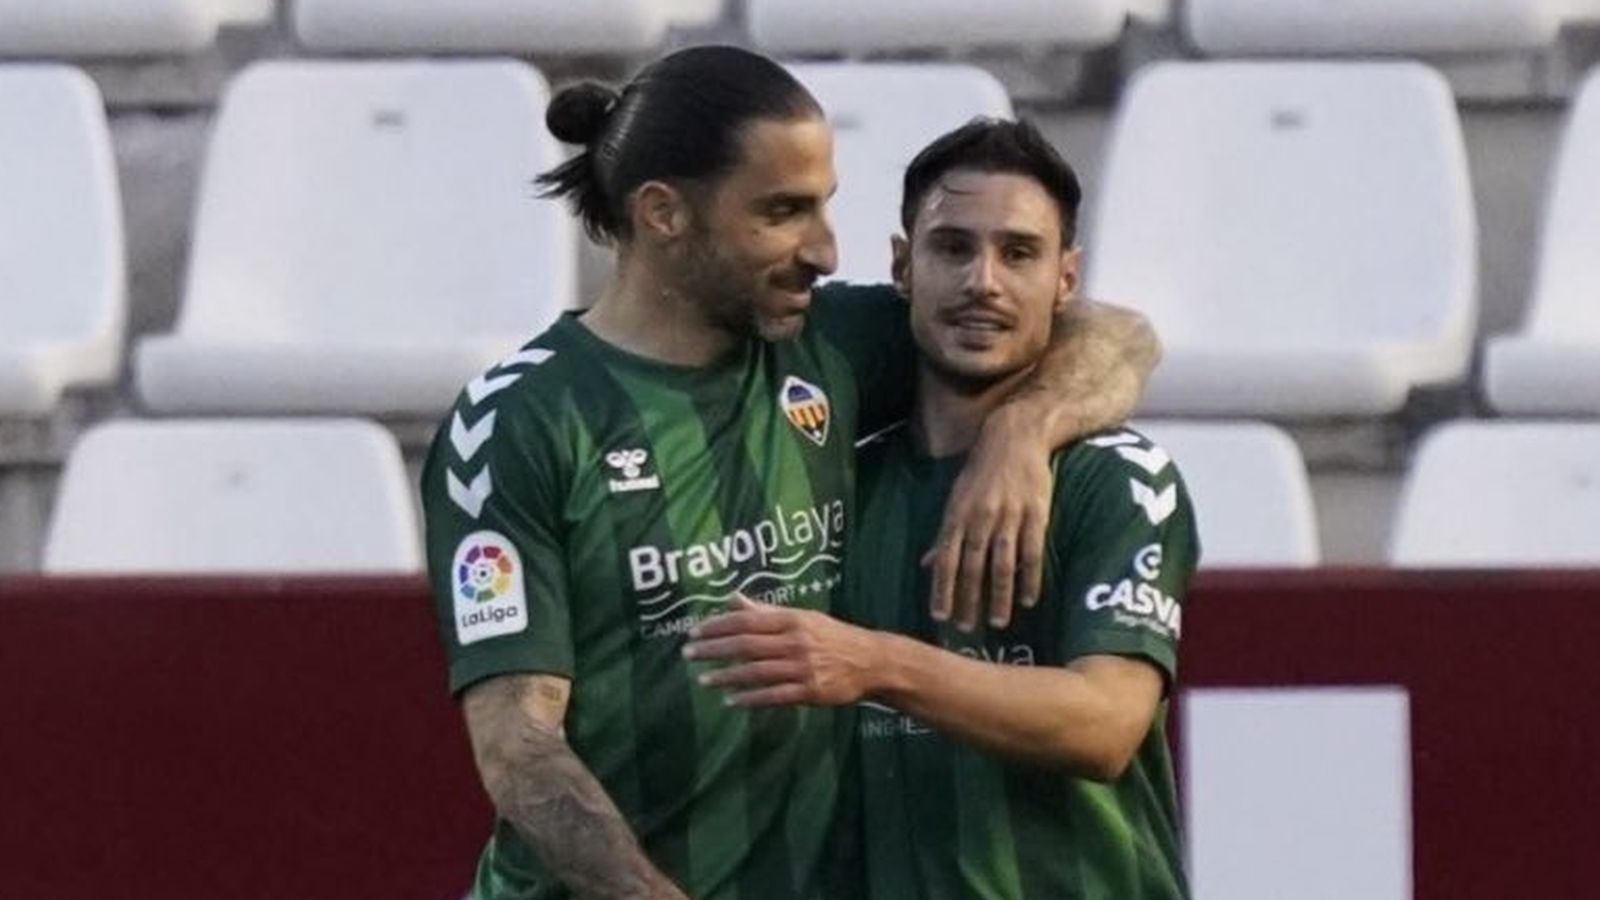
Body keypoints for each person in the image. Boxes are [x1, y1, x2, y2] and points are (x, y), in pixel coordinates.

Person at [420, 47, 1157, 900]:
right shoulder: (520, 421)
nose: (823, 250)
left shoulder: (826, 346)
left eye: (825, 208)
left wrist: (1025, 432)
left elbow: (1113, 333)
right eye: (782, 212)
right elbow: (518, 745)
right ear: (664, 213)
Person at [684, 118, 1197, 899]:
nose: (983, 281)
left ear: (1066, 280)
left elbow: (1105, 724)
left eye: (1018, 253)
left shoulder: (1118, 480)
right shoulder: (833, 483)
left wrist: (876, 662)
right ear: (901, 265)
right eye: (952, 248)